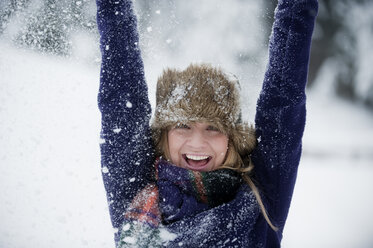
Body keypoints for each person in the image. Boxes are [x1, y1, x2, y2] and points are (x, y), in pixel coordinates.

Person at [96, 0, 318, 247]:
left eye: (213, 128)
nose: (197, 142)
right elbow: (121, 95)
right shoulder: (138, 191)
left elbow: (284, 97)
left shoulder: (259, 196)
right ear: (164, 135)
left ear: (231, 139)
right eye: (183, 126)